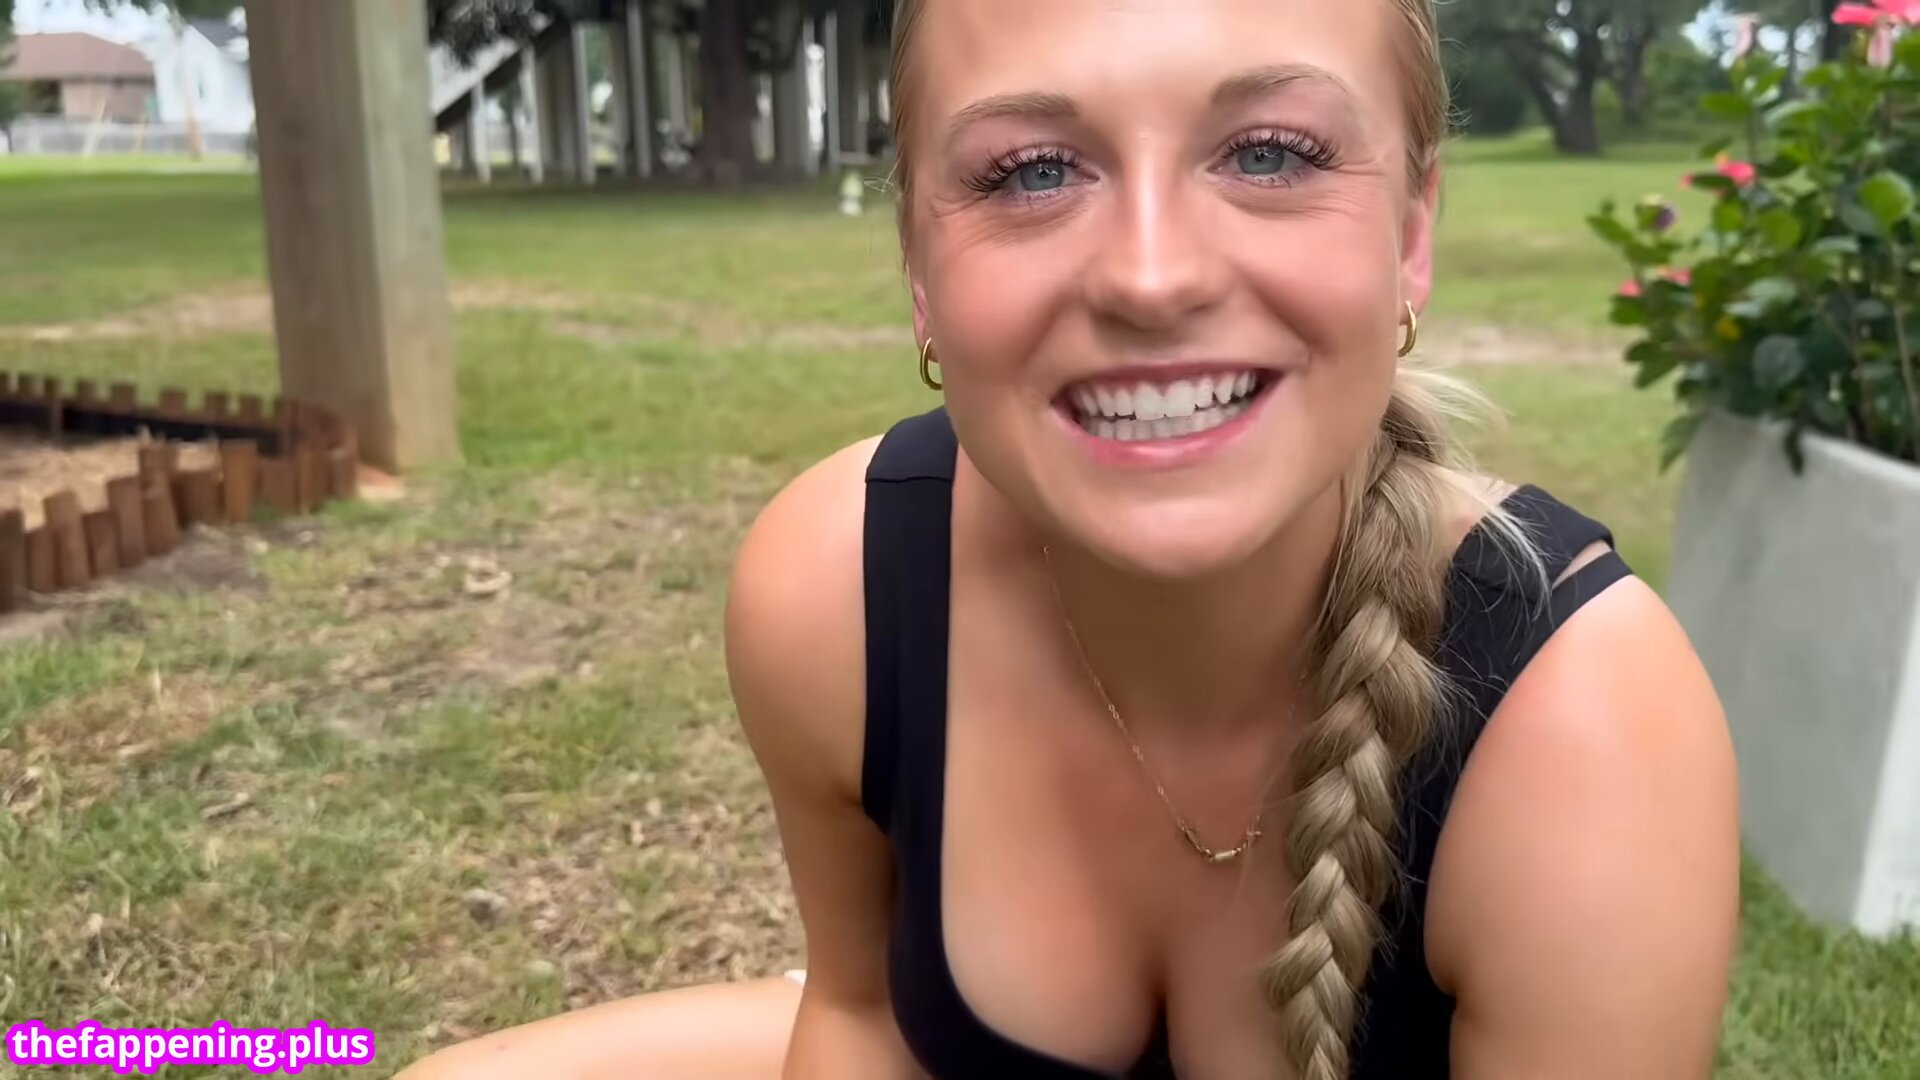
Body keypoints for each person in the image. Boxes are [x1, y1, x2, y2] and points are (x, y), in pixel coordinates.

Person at [399, 0, 1740, 1076]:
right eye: (1033, 171)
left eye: (1269, 154)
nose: (1152, 277)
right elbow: (862, 1020)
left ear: (1412, 236)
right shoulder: (836, 591)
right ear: (919, 276)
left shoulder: (1583, 728)